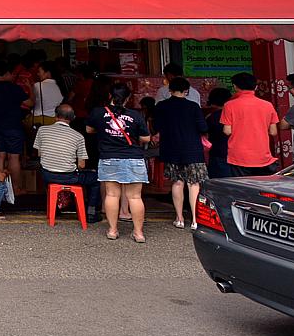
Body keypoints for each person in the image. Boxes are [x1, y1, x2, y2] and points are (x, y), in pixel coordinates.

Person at [90, 82, 153, 242]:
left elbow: (89, 129)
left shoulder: (98, 112)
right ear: (128, 98)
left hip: (109, 157)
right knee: (135, 197)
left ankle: (112, 230)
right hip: (133, 158)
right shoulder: (135, 115)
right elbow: (146, 138)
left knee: (111, 194)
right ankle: (138, 233)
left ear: (109, 95)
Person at [154, 76, 210, 229]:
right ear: (187, 91)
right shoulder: (193, 107)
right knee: (194, 184)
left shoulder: (161, 106)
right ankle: (194, 219)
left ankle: (179, 218)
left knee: (177, 182)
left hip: (171, 149)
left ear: (170, 90)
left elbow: (156, 126)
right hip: (193, 149)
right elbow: (203, 128)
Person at [34, 104, 99, 221]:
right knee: (95, 179)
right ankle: (91, 213)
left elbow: (40, 154)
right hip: (69, 177)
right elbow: (82, 165)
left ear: (55, 116)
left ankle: (55, 208)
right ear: (73, 118)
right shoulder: (78, 136)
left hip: (47, 175)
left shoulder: (42, 130)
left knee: (47, 173)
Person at [0, 60, 32, 199]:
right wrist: (30, 88)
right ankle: (15, 188)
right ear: (7, 73)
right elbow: (30, 103)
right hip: (14, 126)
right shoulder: (15, 88)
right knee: (14, 157)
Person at [221, 72, 280, 176]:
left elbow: (227, 131)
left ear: (235, 87)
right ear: (256, 87)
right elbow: (273, 132)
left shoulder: (229, 105)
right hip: (262, 156)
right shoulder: (268, 105)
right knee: (262, 189)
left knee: (242, 189)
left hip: (239, 157)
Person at [203, 86, 232, 180]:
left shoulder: (212, 116)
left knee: (219, 184)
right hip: (236, 153)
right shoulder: (234, 113)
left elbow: (204, 131)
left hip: (218, 153)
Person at [30, 63, 65, 129]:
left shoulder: (37, 85)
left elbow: (32, 102)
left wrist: (29, 87)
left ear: (48, 73)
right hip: (54, 120)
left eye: (39, 72)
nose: (38, 74)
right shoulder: (60, 86)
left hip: (39, 119)